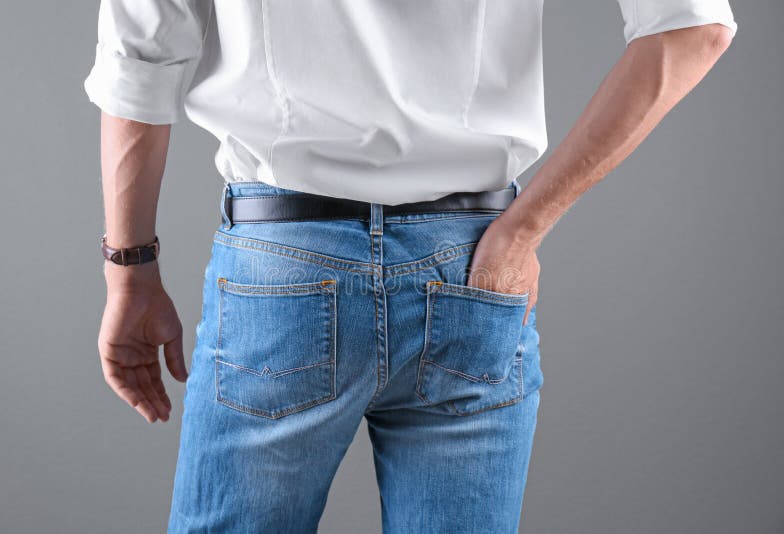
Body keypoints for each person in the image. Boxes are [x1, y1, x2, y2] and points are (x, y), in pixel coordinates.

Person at [84, 1, 737, 532]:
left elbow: (139, 57)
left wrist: (130, 271)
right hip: (474, 269)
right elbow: (694, 27)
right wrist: (523, 231)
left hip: (283, 265)